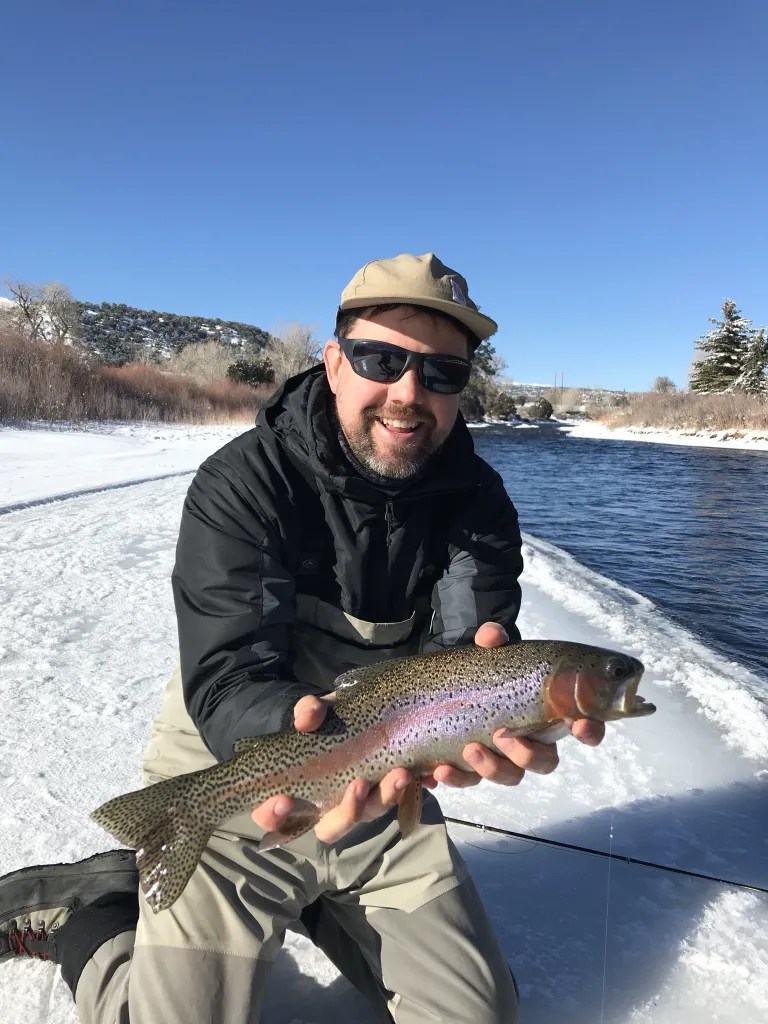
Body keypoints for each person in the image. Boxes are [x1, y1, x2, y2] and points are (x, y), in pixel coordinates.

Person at [0, 253, 604, 1023]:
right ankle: (88, 913)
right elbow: (227, 679)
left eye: (443, 374)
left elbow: (462, 659)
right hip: (236, 772)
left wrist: (491, 714)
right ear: (333, 360)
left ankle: (321, 901)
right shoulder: (244, 483)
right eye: (382, 359)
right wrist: (305, 753)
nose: (409, 394)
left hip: (386, 783)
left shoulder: (478, 503)